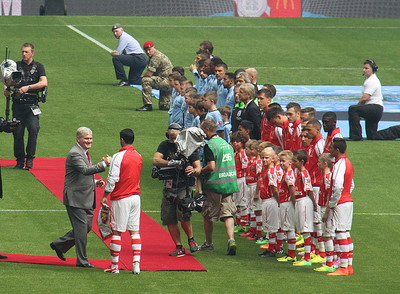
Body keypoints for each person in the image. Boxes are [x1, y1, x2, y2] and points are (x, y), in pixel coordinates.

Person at [50, 127, 111, 267]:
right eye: (86, 139)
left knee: (86, 227)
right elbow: (85, 170)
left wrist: (95, 182)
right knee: (81, 231)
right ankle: (82, 261)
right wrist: (104, 164)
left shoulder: (84, 152)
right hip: (75, 198)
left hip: (86, 196)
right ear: (78, 139)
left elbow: (82, 175)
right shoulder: (75, 154)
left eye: (90, 138)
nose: (89, 141)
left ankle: (59, 245)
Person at [152, 123, 201, 257]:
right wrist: (170, 163)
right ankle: (178, 246)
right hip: (169, 186)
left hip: (183, 185)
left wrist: (193, 169)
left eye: (175, 137)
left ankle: (191, 239)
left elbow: (198, 168)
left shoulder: (189, 148)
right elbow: (155, 160)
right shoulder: (164, 145)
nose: (173, 139)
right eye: (171, 137)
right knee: (169, 218)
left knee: (184, 215)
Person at [102, 128, 143, 275]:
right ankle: (136, 264)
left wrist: (105, 194)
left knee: (117, 232)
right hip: (135, 198)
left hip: (121, 198)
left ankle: (114, 266)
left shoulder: (118, 156)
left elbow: (113, 178)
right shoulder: (138, 156)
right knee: (135, 232)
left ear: (122, 140)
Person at [3, 43, 48, 169]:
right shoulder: (15, 65)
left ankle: (30, 158)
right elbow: (7, 81)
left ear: (32, 53)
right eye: (22, 51)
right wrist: (6, 88)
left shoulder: (39, 66)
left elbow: (44, 82)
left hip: (32, 105)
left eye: (26, 52)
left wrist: (28, 87)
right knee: (17, 132)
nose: (24, 54)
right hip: (18, 105)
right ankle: (19, 159)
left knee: (33, 129)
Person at [199, 119, 239, 255]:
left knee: (208, 214)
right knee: (227, 213)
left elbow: (211, 166)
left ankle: (208, 243)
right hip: (229, 184)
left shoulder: (209, 146)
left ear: (207, 130)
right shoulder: (226, 144)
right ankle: (231, 239)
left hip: (215, 185)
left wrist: (200, 171)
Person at [324, 138, 355, 276]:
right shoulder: (348, 163)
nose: (329, 150)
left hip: (341, 202)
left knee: (341, 232)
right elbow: (352, 184)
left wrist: (332, 204)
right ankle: (348, 266)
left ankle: (343, 267)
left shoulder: (339, 164)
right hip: (347, 200)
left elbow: (337, 186)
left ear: (337, 150)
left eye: (331, 148)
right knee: (346, 233)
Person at [348, 59, 383, 140]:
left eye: (366, 68)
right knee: (372, 136)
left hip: (374, 108)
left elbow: (365, 98)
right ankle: (396, 131)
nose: (364, 70)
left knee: (353, 109)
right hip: (376, 109)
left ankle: (356, 136)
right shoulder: (371, 80)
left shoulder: (372, 81)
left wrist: (357, 106)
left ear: (372, 69)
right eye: (364, 68)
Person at [137, 41, 173, 111]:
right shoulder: (157, 55)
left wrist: (141, 77)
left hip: (165, 80)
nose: (148, 52)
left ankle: (148, 105)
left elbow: (149, 73)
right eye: (146, 50)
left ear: (154, 48)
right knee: (164, 106)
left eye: (149, 49)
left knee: (145, 81)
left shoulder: (155, 57)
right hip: (169, 81)